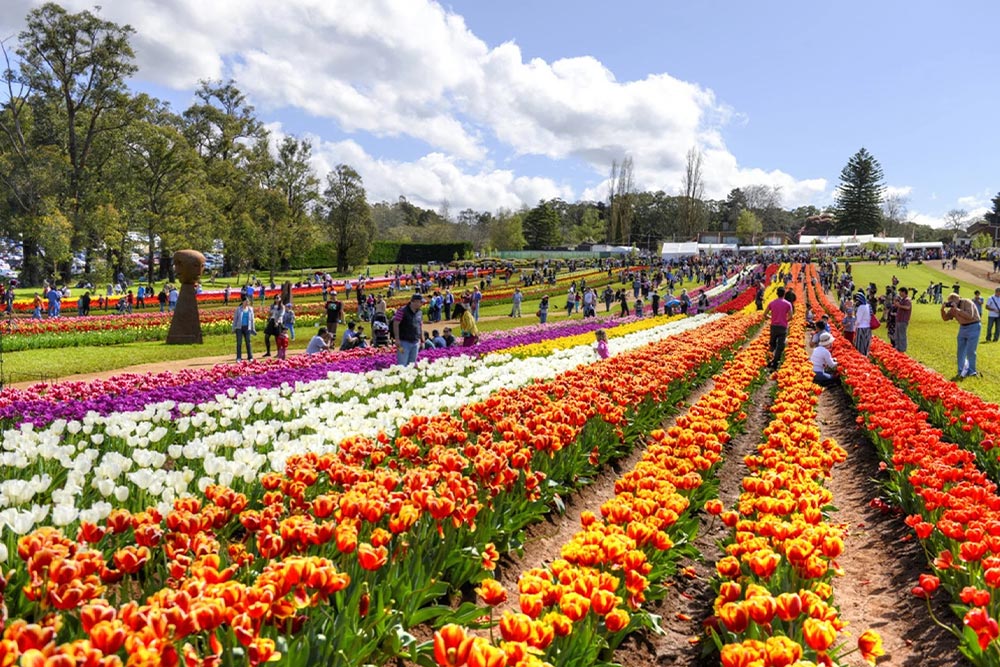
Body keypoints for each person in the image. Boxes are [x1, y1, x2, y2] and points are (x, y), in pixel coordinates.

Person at [941, 291, 981, 378]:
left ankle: (972, 371)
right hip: (963, 327)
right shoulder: (953, 308)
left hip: (973, 326)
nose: (951, 304)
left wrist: (957, 309)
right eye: (950, 302)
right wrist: (942, 310)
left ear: (958, 299)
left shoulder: (967, 302)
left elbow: (970, 316)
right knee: (961, 350)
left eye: (952, 302)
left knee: (971, 350)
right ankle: (961, 370)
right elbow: (945, 318)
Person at [765, 286, 793, 370]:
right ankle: (775, 363)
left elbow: (764, 314)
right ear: (784, 294)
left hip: (773, 326)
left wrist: (771, 318)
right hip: (782, 327)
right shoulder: (788, 304)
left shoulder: (772, 303)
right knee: (780, 346)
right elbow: (791, 316)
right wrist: (785, 320)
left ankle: (769, 360)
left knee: (772, 344)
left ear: (777, 294)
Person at [393, 294, 424, 366]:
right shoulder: (402, 311)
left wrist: (422, 340)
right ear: (415, 301)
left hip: (415, 342)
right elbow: (396, 324)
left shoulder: (419, 312)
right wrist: (397, 338)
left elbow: (420, 325)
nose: (422, 304)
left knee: (411, 364)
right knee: (402, 364)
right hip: (404, 342)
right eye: (421, 302)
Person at [232, 297, 256, 362]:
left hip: (247, 328)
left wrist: (253, 328)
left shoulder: (250, 309)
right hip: (239, 328)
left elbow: (252, 320)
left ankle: (250, 357)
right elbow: (235, 319)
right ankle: (239, 357)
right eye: (246, 301)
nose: (247, 303)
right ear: (242, 302)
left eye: (248, 302)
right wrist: (233, 328)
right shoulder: (238, 309)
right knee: (239, 343)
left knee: (248, 342)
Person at [853, 291, 873, 357]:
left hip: (861, 328)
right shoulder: (868, 305)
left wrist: (854, 328)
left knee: (859, 344)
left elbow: (858, 320)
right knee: (866, 344)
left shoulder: (861, 307)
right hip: (868, 327)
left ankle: (860, 358)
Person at [894, 287, 912, 352]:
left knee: (902, 335)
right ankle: (897, 347)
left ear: (904, 292)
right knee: (897, 335)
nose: (900, 293)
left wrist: (900, 306)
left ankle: (902, 348)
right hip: (899, 319)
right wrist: (896, 302)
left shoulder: (907, 300)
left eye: (900, 292)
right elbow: (896, 305)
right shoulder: (902, 300)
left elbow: (908, 307)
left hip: (903, 320)